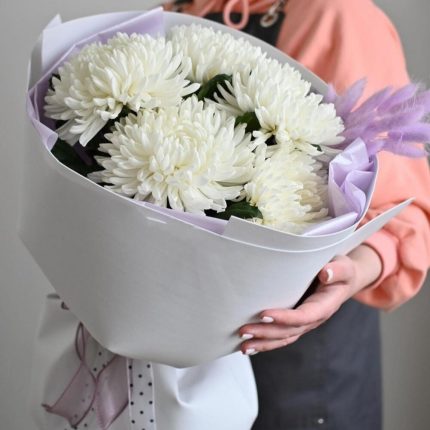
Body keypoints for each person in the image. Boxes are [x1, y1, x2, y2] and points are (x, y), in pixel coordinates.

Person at [165, 0, 430, 429]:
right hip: (180, 358)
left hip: (299, 359)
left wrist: (349, 274)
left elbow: (403, 216)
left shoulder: (338, 15)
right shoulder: (177, 12)